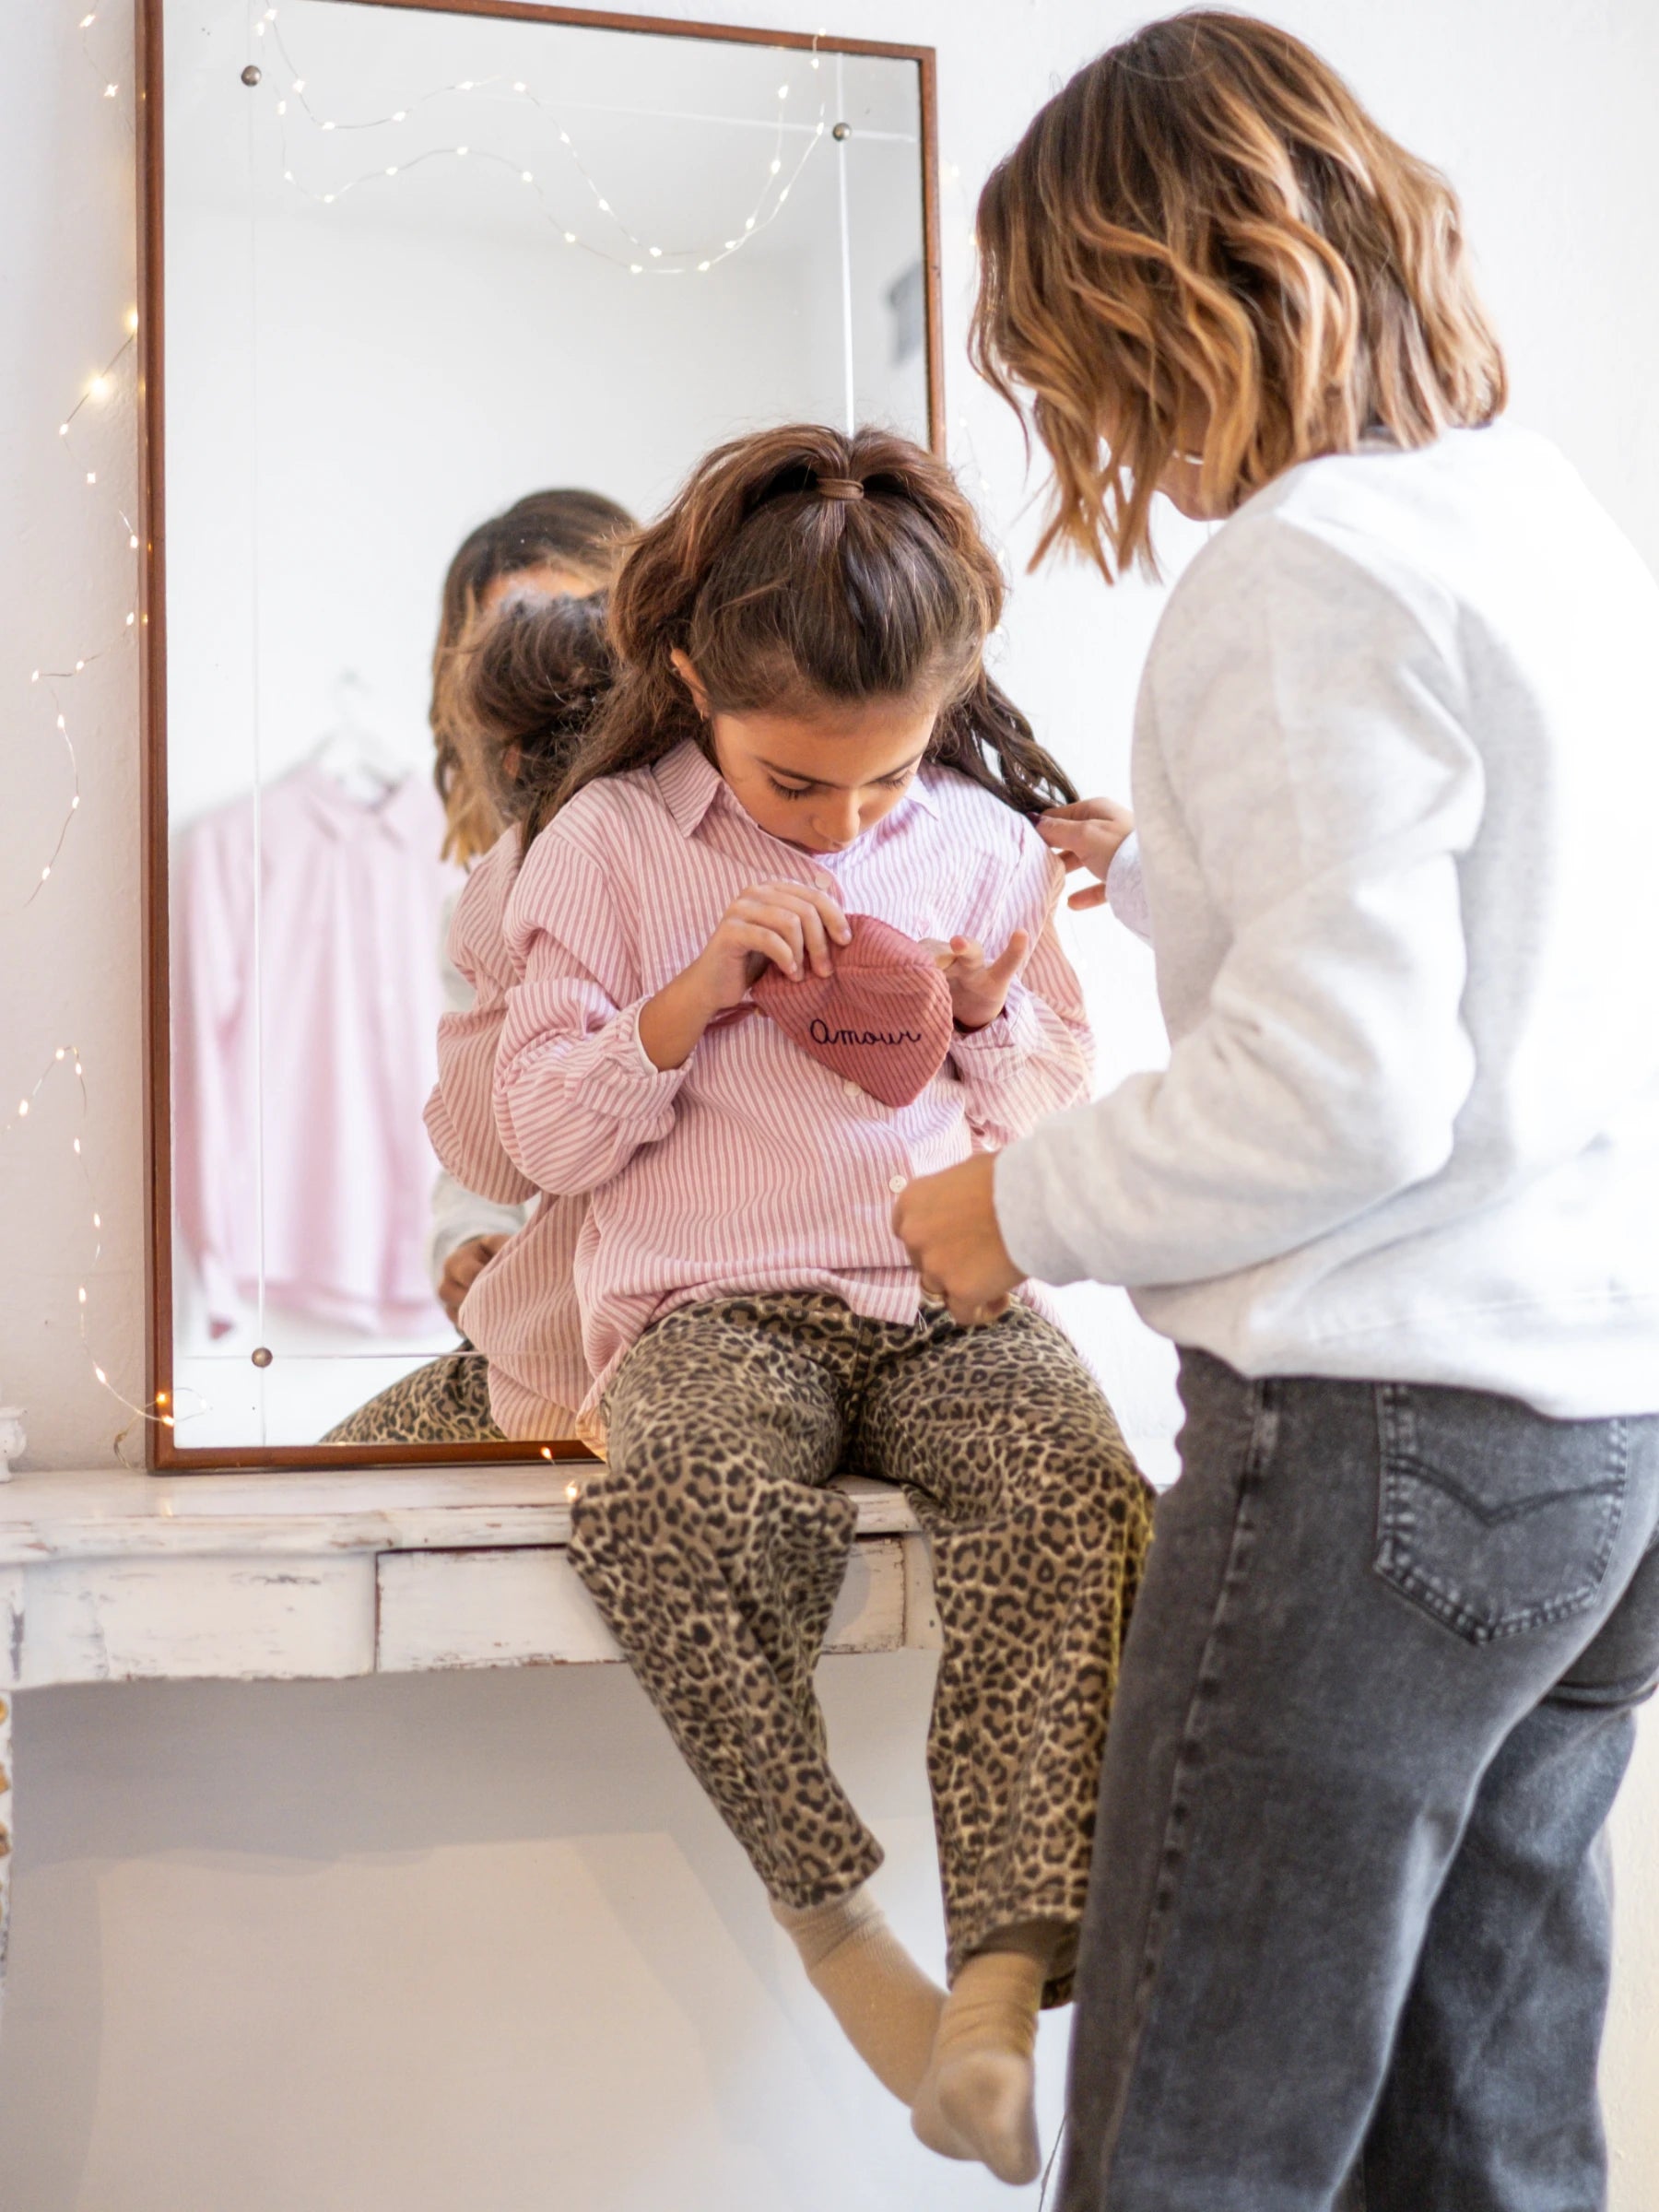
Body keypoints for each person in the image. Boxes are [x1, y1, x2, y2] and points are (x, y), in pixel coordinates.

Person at [894, 15, 1659, 2210]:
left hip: (1381, 1465)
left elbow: (1348, 1084)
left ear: (1147, 308)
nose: (1094, 428)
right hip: (1590, 1455)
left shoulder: (1298, 571)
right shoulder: (1541, 523)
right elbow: (1516, 953)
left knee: (1197, 2144)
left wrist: (1008, 1205)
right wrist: (1170, 870)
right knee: (1483, 2144)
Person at [492, 423, 1154, 2184]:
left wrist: (990, 1017)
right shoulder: (611, 848)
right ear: (696, 678)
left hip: (944, 1288)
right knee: (670, 1506)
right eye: (797, 787)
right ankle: (847, 1938)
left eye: (887, 777)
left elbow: (1041, 1121)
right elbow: (537, 1137)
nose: (851, 824)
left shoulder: (987, 848)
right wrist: (688, 999)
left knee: (1082, 1495)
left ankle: (1003, 1988)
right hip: (715, 1309)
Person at [324, 591, 617, 1447]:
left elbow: (489, 1141)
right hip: (569, 1329)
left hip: (578, 1352)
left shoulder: (512, 892)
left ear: (511, 758)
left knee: (330, 1473)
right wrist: (471, 1237)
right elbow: (488, 1175)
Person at [428, 488, 634, 1334]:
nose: (547, 661)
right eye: (507, 637)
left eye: (570, 617)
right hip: (565, 1309)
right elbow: (486, 1107)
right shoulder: (486, 907)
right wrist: (468, 1235)